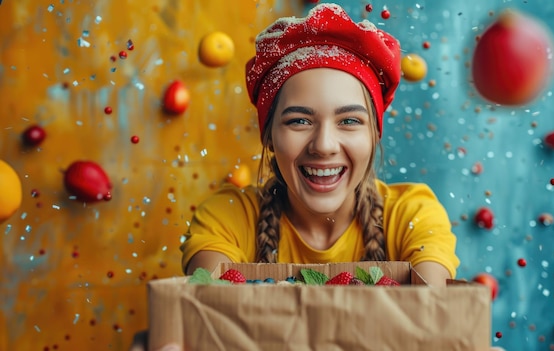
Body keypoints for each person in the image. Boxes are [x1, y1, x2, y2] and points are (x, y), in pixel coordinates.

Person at [132, 3, 504, 350]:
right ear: (269, 136)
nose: (324, 145)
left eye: (349, 121)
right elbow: (208, 325)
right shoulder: (228, 219)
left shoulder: (411, 213)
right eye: (299, 120)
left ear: (374, 135)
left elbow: (429, 325)